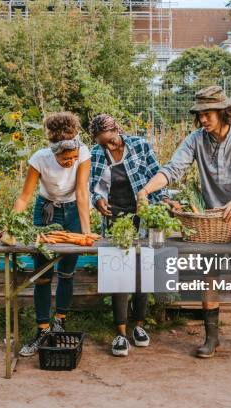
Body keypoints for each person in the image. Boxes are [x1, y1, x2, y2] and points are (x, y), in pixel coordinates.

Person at [137, 86, 231, 358]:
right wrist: (146, 190)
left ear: (224, 112)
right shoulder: (196, 140)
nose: (202, 120)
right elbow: (172, 169)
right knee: (210, 275)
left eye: (208, 114)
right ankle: (211, 338)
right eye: (199, 115)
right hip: (210, 221)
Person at [88, 113, 171, 357]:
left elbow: (156, 173)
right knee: (118, 272)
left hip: (142, 214)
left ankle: (139, 327)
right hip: (115, 217)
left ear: (117, 131)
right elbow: (94, 186)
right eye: (103, 142)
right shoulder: (95, 153)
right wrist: (98, 201)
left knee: (142, 271)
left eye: (111, 140)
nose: (108, 146)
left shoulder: (139, 145)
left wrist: (166, 200)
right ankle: (121, 333)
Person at [14, 112, 92, 357]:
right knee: (43, 274)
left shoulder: (84, 153)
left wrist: (86, 233)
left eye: (73, 158)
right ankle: (42, 329)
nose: (70, 162)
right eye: (65, 159)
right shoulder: (40, 159)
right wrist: (11, 225)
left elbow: (81, 194)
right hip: (46, 212)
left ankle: (60, 322)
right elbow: (25, 196)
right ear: (54, 153)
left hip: (72, 212)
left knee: (67, 272)